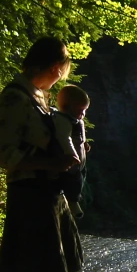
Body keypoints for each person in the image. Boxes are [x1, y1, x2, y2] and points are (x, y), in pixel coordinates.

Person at [0, 36, 91, 272]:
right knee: (34, 267)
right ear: (55, 67)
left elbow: (47, 140)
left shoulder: (39, 97)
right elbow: (6, 155)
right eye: (63, 67)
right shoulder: (14, 98)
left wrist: (72, 150)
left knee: (59, 264)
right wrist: (51, 163)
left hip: (51, 191)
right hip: (29, 193)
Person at [52, 85, 90, 219]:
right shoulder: (63, 120)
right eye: (80, 110)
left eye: (85, 110)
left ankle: (75, 200)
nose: (83, 114)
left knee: (79, 179)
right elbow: (64, 138)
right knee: (72, 182)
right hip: (71, 162)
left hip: (79, 162)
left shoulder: (77, 120)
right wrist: (71, 153)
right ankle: (73, 203)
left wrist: (84, 143)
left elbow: (81, 135)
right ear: (67, 107)